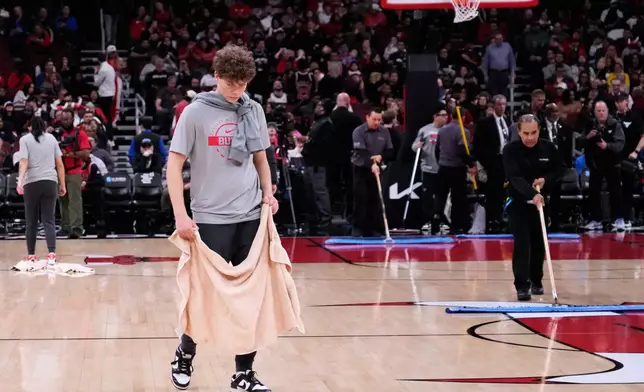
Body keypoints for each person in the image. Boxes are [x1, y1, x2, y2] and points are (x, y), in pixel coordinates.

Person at [166, 45, 278, 392]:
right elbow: (174, 164)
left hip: (249, 215)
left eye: (243, 83)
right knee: (204, 297)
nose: (237, 89)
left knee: (250, 297)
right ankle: (185, 353)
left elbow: (260, 157)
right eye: (231, 82)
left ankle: (243, 372)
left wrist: (268, 192)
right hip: (209, 218)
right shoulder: (195, 113)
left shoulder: (253, 109)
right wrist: (181, 215)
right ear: (217, 77)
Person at [503, 114, 566, 301]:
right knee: (522, 244)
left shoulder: (549, 147)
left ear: (539, 130)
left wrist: (546, 180)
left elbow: (561, 169)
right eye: (525, 133)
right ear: (518, 132)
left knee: (539, 243)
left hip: (541, 203)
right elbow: (515, 178)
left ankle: (536, 280)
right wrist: (533, 194)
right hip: (518, 203)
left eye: (533, 133)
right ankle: (522, 286)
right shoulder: (510, 150)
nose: (530, 137)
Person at [16, 116, 66, 265]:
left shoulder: (24, 140)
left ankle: (31, 255)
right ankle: (51, 253)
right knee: (49, 220)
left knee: (31, 221)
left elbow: (23, 162)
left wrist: (20, 181)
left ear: (30, 127)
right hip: (50, 182)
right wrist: (62, 184)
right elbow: (60, 164)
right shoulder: (52, 139)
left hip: (32, 183)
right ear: (44, 127)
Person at [579, 101, 626, 231]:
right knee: (593, 192)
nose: (601, 113)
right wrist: (588, 137)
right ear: (595, 112)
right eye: (598, 110)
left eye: (603, 110)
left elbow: (620, 144)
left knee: (615, 191)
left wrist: (607, 146)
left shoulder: (615, 124)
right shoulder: (590, 125)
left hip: (612, 163)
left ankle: (618, 219)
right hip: (595, 163)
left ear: (607, 111)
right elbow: (580, 142)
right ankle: (595, 220)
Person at [432, 108, 477, 234]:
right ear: (463, 117)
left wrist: (440, 161)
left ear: (451, 116)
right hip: (457, 169)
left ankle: (435, 224)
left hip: (443, 167)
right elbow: (462, 150)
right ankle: (456, 226)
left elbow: (437, 149)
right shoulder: (464, 132)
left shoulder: (442, 130)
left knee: (440, 196)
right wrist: (471, 164)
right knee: (457, 198)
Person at [350, 107, 394, 237]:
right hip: (361, 167)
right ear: (367, 117)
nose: (376, 122)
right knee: (361, 198)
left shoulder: (384, 132)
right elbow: (361, 152)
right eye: (374, 119)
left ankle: (373, 229)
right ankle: (358, 229)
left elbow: (390, 151)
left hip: (378, 169)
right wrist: (371, 163)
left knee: (375, 199)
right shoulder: (358, 131)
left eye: (379, 120)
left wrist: (381, 157)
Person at [473, 94, 511, 233]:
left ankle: (502, 220)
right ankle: (492, 222)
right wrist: (487, 164)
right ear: (493, 106)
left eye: (504, 104)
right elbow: (478, 146)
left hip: (505, 163)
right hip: (492, 163)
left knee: (504, 194)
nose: (502, 107)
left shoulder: (507, 121)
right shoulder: (485, 123)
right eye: (499, 104)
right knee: (492, 195)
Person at [412, 106, 448, 230]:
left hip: (443, 168)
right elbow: (414, 147)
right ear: (435, 116)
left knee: (442, 196)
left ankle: (441, 221)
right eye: (442, 115)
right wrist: (418, 146)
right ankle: (428, 220)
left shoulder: (448, 130)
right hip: (428, 168)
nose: (445, 117)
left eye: (446, 115)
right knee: (428, 197)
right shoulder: (425, 130)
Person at [59, 108, 91, 238]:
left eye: (67, 119)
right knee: (62, 201)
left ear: (73, 119)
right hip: (60, 171)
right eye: (63, 119)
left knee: (75, 201)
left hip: (74, 170)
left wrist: (70, 154)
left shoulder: (80, 134)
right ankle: (65, 227)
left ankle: (76, 228)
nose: (65, 121)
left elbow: (86, 153)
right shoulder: (58, 134)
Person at [614, 93, 644, 230]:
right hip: (614, 158)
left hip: (629, 158)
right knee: (615, 189)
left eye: (621, 101)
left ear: (626, 102)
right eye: (617, 101)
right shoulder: (612, 118)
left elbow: (643, 136)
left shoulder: (635, 117)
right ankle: (616, 218)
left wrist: (636, 151)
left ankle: (627, 218)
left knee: (627, 189)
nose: (619, 103)